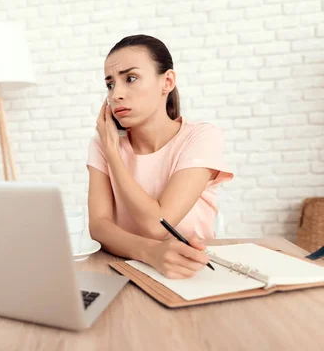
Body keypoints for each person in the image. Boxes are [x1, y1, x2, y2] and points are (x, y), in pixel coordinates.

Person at [87, 34, 233, 280]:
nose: (116, 95)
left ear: (167, 81)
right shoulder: (103, 144)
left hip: (192, 272)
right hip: (124, 269)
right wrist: (151, 253)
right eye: (110, 84)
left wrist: (113, 153)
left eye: (130, 78)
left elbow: (157, 225)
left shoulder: (200, 137)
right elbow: (99, 226)